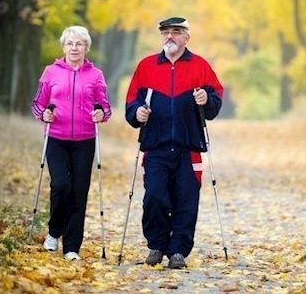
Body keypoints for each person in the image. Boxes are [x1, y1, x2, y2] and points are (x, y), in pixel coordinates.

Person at [125, 16, 223, 269]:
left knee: (186, 200)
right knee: (155, 197)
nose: (170, 36)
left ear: (186, 37)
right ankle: (157, 245)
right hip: (155, 146)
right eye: (166, 32)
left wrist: (206, 99)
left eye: (176, 32)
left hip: (188, 147)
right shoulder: (146, 66)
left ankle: (178, 250)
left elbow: (215, 99)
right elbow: (131, 101)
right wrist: (137, 113)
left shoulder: (200, 66)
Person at [31, 25, 111, 261]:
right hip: (56, 137)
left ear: (86, 48)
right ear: (63, 46)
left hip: (85, 140)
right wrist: (44, 114)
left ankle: (72, 246)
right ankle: (54, 232)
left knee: (79, 192)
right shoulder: (50, 72)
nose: (74, 48)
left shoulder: (95, 75)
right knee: (61, 185)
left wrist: (101, 114)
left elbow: (105, 107)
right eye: (70, 43)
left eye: (79, 44)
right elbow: (37, 103)